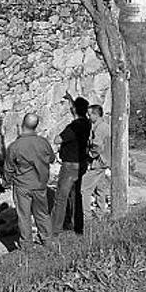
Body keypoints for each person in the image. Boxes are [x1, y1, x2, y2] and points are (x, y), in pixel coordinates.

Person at [3, 113, 56, 248]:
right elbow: (51, 159)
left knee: (24, 215)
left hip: (22, 185)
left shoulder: (15, 146)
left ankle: (27, 244)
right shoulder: (43, 142)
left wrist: (6, 182)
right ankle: (48, 240)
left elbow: (9, 168)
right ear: (36, 126)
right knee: (42, 213)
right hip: (40, 184)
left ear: (22, 125)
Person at [51, 96, 92, 236]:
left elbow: (58, 140)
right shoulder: (87, 123)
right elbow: (77, 109)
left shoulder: (73, 127)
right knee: (76, 196)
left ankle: (55, 229)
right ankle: (77, 227)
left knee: (61, 198)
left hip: (69, 165)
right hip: (81, 164)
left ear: (74, 110)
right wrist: (70, 99)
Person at [82, 104, 112, 217]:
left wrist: (90, 155)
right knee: (100, 188)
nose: (88, 117)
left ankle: (86, 215)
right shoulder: (105, 126)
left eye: (89, 115)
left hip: (98, 162)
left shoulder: (100, 128)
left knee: (84, 188)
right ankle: (101, 212)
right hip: (104, 161)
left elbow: (97, 146)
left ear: (96, 114)